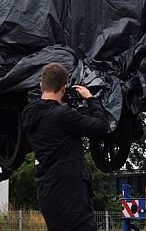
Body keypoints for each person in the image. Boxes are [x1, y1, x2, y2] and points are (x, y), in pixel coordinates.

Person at [22, 63, 109, 231]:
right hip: (71, 193)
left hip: (46, 191)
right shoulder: (63, 116)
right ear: (63, 89)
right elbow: (101, 126)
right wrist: (90, 99)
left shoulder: (28, 114)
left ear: (41, 85)